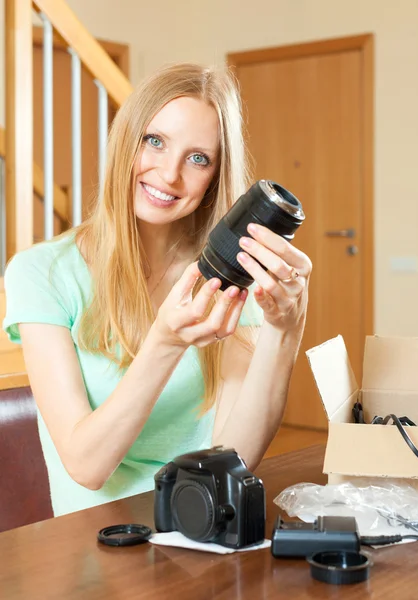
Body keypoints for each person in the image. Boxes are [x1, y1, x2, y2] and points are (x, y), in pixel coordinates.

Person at [2, 63, 312, 517]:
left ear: (214, 177)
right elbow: (86, 466)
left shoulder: (226, 273)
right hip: (93, 549)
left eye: (198, 158)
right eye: (155, 141)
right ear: (126, 139)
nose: (169, 175)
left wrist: (285, 331)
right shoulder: (41, 272)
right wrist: (164, 342)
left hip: (198, 530)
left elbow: (237, 455)